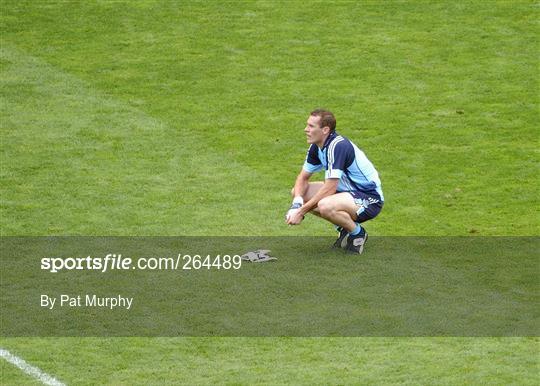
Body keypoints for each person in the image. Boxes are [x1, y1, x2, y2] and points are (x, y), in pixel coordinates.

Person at [286, 109, 384, 254]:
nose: (306, 129)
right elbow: (302, 177)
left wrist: (301, 212)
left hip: (369, 198)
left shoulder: (338, 146)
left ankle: (357, 233)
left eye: (311, 126)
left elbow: (330, 188)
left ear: (325, 130)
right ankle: (344, 228)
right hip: (346, 193)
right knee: (298, 192)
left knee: (325, 205)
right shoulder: (316, 147)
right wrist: (297, 203)